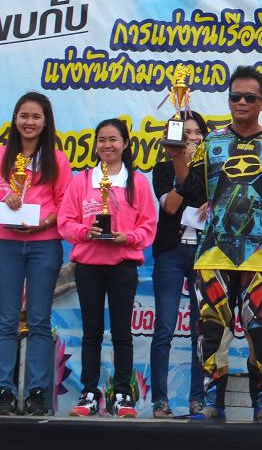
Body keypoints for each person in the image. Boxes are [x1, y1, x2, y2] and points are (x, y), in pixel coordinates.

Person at [167, 65, 262, 423]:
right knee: (212, 329)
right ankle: (213, 404)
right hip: (214, 250)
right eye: (235, 97)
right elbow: (191, 189)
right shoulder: (212, 142)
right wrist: (178, 158)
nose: (241, 102)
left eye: (249, 97)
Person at [58, 118, 157, 418]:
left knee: (122, 334)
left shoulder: (137, 182)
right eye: (101, 139)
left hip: (123, 266)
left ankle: (122, 394)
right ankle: (89, 393)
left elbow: (148, 225)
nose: (107, 145)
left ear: (125, 144)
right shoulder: (81, 181)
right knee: (91, 332)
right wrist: (84, 232)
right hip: (88, 266)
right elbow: (66, 221)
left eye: (113, 139)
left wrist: (129, 237)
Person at [0, 92, 73, 416]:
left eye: (36, 117)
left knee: (40, 320)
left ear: (45, 123)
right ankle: (4, 389)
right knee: (6, 319)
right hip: (6, 243)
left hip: (44, 243)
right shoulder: (2, 156)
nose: (29, 122)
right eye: (24, 116)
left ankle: (37, 393)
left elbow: (64, 202)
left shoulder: (57, 160)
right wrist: (6, 198)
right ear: (15, 119)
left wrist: (43, 222)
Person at [149, 110, 209, 418]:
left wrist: (213, 200)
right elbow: (171, 206)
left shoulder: (214, 170)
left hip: (204, 254)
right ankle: (160, 401)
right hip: (170, 253)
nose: (191, 138)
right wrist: (181, 168)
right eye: (185, 134)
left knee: (202, 329)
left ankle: (198, 399)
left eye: (197, 133)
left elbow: (217, 206)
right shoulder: (162, 169)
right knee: (164, 327)